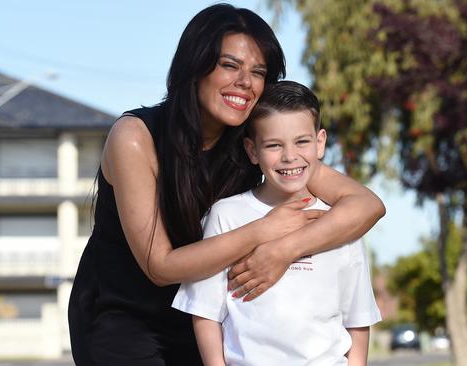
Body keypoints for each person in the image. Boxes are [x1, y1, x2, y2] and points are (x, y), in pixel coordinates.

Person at [68, 4, 385, 366]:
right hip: (124, 316)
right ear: (195, 66)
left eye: (258, 72)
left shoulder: (259, 145)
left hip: (202, 317)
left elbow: (365, 206)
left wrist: (285, 249)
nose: (245, 82)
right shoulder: (136, 138)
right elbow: (161, 266)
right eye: (229, 66)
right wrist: (263, 231)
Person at [173, 81, 381, 366]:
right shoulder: (226, 215)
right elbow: (205, 313)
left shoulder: (343, 223)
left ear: (320, 142)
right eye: (273, 145)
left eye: (302, 141)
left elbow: (357, 319)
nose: (289, 156)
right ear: (252, 150)